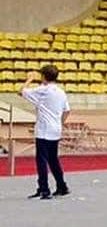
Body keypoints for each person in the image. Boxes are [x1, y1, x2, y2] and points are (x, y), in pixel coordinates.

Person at [21, 64, 70, 200]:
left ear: (43, 77)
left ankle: (44, 188)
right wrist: (60, 122)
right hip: (55, 129)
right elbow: (67, 111)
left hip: (44, 130)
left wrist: (29, 80)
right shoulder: (61, 92)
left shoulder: (43, 90)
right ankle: (61, 186)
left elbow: (22, 91)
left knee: (41, 159)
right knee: (53, 159)